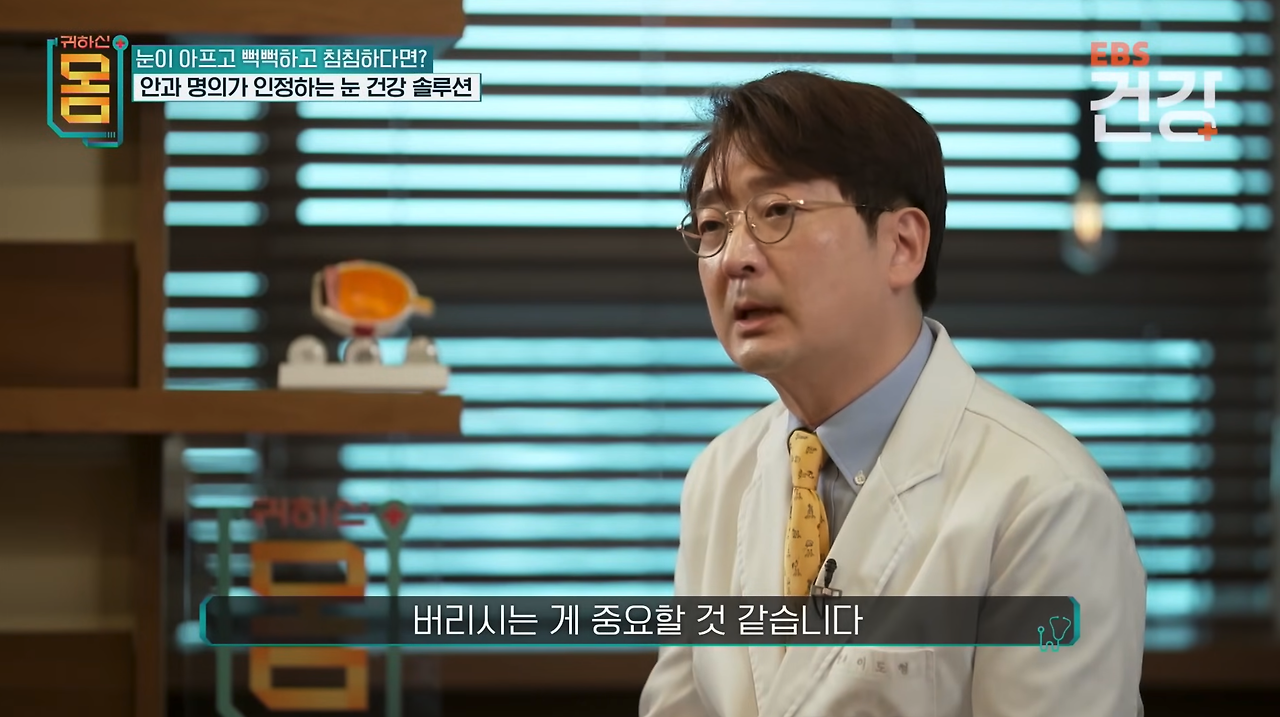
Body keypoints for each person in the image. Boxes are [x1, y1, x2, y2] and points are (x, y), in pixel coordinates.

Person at [638, 70, 1147, 717]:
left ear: (902, 245)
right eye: (713, 224)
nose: (735, 256)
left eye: (777, 212)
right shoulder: (719, 475)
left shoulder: (1046, 501)